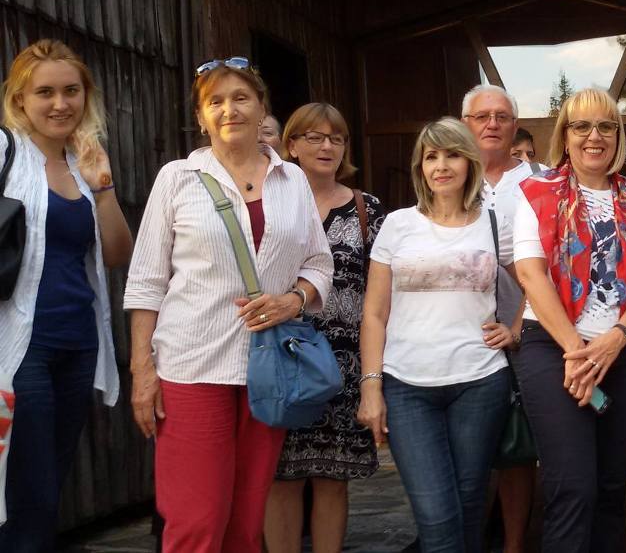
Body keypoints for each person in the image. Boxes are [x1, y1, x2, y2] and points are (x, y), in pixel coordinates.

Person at [123, 57, 333, 552]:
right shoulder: (177, 178)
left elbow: (319, 264)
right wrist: (142, 369)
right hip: (192, 367)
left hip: (269, 370)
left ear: (261, 108)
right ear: (201, 118)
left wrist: (293, 300)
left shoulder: (292, 180)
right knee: (196, 523)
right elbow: (146, 281)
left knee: (246, 523)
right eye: (214, 101)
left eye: (240, 98)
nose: (229, 110)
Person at [356, 117, 516, 553]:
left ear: (469, 163)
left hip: (480, 382)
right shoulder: (398, 225)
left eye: (451, 155)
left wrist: (515, 329)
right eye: (431, 157)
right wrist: (371, 386)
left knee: (469, 507)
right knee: (436, 514)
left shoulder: (495, 224)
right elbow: (374, 313)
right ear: (420, 167)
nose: (441, 166)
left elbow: (535, 285)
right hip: (407, 385)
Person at [511, 88, 626, 552]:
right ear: (565, 135)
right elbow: (530, 275)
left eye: (606, 126)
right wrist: (579, 353)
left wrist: (617, 339)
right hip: (555, 350)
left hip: (624, 353)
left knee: (612, 486)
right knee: (573, 487)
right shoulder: (536, 193)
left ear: (618, 136)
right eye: (582, 126)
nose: (594, 136)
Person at [0, 40, 133, 548]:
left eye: (71, 91)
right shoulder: (6, 153)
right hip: (20, 345)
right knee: (28, 483)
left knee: (49, 481)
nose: (61, 104)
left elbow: (115, 253)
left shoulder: (83, 164)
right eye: (45, 93)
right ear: (20, 100)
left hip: (78, 343)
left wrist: (103, 187)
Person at [263, 103, 382, 553]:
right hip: (284, 358)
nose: (326, 146)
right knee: (281, 478)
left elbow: (380, 294)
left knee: (333, 478)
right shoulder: (269, 205)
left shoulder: (367, 209)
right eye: (314, 137)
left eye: (336, 138)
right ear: (291, 145)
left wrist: (374, 375)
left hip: (345, 364)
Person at [460, 84, 536, 553]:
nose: (492, 123)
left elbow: (548, 270)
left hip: (523, 336)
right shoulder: (447, 176)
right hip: (460, 336)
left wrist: (518, 326)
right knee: (470, 447)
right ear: (464, 124)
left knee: (516, 446)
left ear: (514, 126)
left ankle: (514, 544)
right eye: (482, 116)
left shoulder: (540, 181)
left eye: (502, 116)